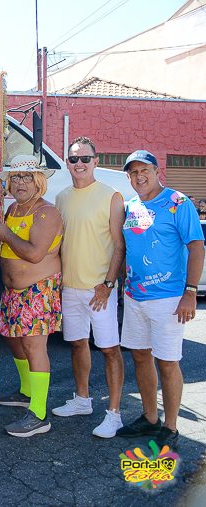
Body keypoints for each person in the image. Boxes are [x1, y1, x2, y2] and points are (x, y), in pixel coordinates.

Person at [117, 150, 204, 449]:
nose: (139, 177)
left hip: (168, 298)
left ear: (157, 172)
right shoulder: (130, 206)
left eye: (145, 170)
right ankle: (150, 417)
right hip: (134, 295)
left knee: (167, 362)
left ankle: (171, 426)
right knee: (140, 356)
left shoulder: (178, 202)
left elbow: (196, 247)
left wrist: (190, 292)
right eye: (133, 172)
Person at [51, 137, 126, 439]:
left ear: (96, 161)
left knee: (109, 349)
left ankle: (114, 414)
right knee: (77, 343)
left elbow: (119, 246)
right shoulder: (62, 198)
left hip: (99, 291)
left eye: (85, 158)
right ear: (67, 163)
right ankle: (82, 400)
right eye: (73, 159)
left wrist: (108, 284)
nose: (79, 164)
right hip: (70, 288)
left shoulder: (112, 196)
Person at [0, 155, 63, 437]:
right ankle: (26, 391)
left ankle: (38, 413)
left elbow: (35, 254)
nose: (20, 183)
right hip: (12, 291)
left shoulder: (47, 213)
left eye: (26, 177)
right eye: (15, 178)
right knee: (13, 339)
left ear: (38, 182)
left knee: (34, 347)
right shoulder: (13, 209)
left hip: (38, 289)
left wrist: (6, 234)